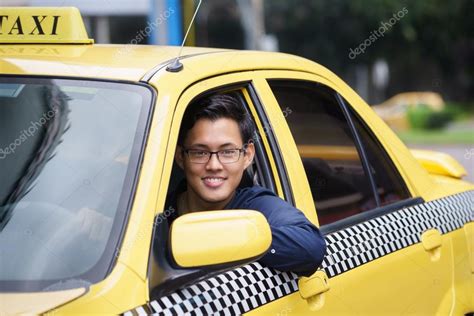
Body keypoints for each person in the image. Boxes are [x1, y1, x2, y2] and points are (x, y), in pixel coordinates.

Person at [165, 93, 326, 277]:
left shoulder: (257, 206)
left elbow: (311, 248)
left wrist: (225, 235)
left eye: (228, 152)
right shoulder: (157, 214)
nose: (214, 166)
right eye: (199, 153)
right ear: (180, 156)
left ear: (247, 155)